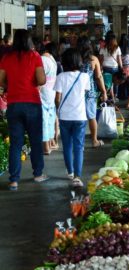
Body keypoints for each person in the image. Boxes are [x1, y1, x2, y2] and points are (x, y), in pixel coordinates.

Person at [0, 29, 48, 190]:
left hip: (13, 104)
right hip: (32, 103)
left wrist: (11, 85)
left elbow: (1, 81)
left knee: (15, 144)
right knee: (35, 141)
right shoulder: (34, 56)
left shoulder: (7, 58)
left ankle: (13, 180)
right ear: (29, 41)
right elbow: (41, 80)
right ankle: (38, 174)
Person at [54, 48, 90, 188]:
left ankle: (70, 171)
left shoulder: (61, 76)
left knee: (67, 146)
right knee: (78, 146)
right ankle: (77, 177)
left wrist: (59, 108)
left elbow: (57, 98)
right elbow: (85, 93)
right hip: (80, 116)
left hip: (64, 116)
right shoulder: (84, 76)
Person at [78, 37, 108, 148]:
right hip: (89, 92)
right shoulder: (93, 59)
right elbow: (99, 77)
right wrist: (104, 92)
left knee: (78, 117)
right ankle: (94, 141)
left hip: (76, 92)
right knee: (91, 117)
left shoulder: (75, 58)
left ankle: (78, 142)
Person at [38, 42, 58, 155]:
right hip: (51, 93)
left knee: (45, 120)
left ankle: (46, 147)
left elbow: (40, 78)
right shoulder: (52, 59)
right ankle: (50, 143)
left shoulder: (42, 60)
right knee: (50, 119)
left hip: (44, 93)